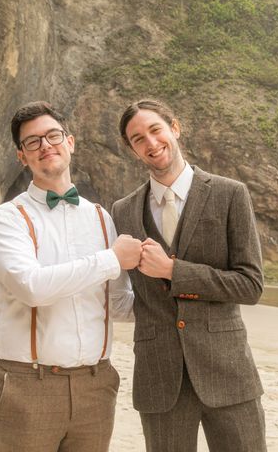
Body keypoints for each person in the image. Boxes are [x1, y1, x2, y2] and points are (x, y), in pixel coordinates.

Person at [111, 99, 267, 451]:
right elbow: (118, 293)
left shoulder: (230, 194)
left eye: (156, 130)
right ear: (132, 149)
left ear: (174, 128)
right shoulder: (122, 212)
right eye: (138, 139)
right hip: (158, 375)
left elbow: (251, 285)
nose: (151, 143)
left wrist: (173, 271)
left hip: (228, 371)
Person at [0, 101, 140, 452]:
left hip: (96, 385)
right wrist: (112, 258)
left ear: (70, 142)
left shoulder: (102, 218)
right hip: (28, 384)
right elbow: (32, 287)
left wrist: (179, 289)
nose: (45, 146)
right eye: (33, 142)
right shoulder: (5, 219)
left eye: (53, 136)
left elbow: (116, 304)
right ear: (22, 156)